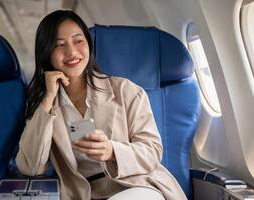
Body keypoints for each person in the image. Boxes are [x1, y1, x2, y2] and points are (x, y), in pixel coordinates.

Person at [16, 10, 187, 200]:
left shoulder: (126, 91)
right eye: (59, 45)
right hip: (83, 193)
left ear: (88, 44)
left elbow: (152, 152)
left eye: (78, 41)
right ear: (46, 53)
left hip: (137, 186)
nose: (72, 52)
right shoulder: (44, 104)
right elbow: (30, 167)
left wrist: (112, 151)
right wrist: (47, 99)